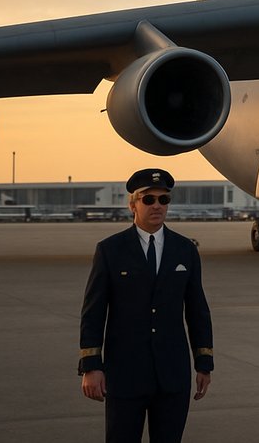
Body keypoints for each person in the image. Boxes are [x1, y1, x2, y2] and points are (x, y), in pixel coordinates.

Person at [78, 168, 214, 443]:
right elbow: (93, 312)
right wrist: (91, 366)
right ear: (132, 205)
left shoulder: (185, 249)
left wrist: (204, 362)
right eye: (148, 199)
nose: (157, 206)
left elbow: (197, 309)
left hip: (172, 375)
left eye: (163, 200)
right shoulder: (110, 250)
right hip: (125, 373)